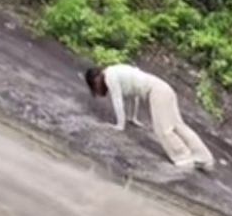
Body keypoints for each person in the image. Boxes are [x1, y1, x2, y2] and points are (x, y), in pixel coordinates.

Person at [85, 64, 215, 171]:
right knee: (178, 125)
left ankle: (184, 159)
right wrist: (133, 118)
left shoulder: (110, 76)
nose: (97, 88)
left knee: (163, 129)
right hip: (164, 87)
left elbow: (118, 101)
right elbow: (133, 96)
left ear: (96, 79)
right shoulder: (116, 71)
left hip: (156, 91)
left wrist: (120, 125)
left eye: (95, 86)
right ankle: (204, 157)